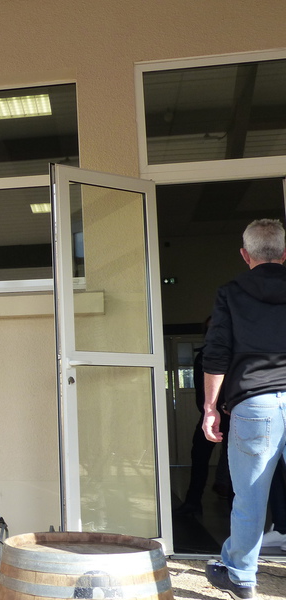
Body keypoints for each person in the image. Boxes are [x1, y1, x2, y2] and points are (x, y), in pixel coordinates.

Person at [202, 218, 286, 600]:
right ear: (284, 253)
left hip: (254, 405)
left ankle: (241, 576)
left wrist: (210, 408)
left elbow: (216, 353)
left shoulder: (231, 293)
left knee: (249, 499)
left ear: (245, 254)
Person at [173, 317, 231, 518]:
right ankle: (192, 502)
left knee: (235, 462)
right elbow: (201, 392)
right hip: (210, 415)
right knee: (198, 457)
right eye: (209, 330)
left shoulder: (235, 354)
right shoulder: (203, 357)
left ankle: (234, 507)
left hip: (233, 416)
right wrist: (207, 411)